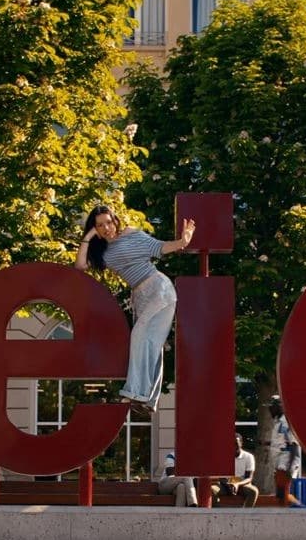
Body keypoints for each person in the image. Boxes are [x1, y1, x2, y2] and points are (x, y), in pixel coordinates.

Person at [74, 205, 195, 414]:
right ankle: (148, 401)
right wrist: (89, 236)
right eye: (100, 226)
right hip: (140, 296)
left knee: (139, 337)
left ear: (116, 220)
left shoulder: (132, 234)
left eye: (109, 222)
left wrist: (183, 242)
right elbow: (80, 266)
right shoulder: (102, 251)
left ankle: (133, 393)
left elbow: (160, 247)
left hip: (159, 289)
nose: (106, 228)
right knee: (153, 345)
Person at [268, 395, 305, 508]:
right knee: (281, 494)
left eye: (272, 406)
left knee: (282, 494)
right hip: (279, 464)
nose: (270, 409)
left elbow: (294, 445)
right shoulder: (278, 422)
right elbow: (280, 443)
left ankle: (301, 510)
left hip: (285, 463)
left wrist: (290, 467)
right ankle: (297, 509)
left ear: (280, 406)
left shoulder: (286, 423)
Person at [211, 433, 258, 507]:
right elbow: (221, 476)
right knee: (212, 490)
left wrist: (237, 484)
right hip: (225, 485)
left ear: (241, 444)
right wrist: (229, 484)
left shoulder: (249, 456)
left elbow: (249, 477)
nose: (234, 446)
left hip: (242, 484)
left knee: (253, 491)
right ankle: (218, 513)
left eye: (236, 444)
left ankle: (246, 515)